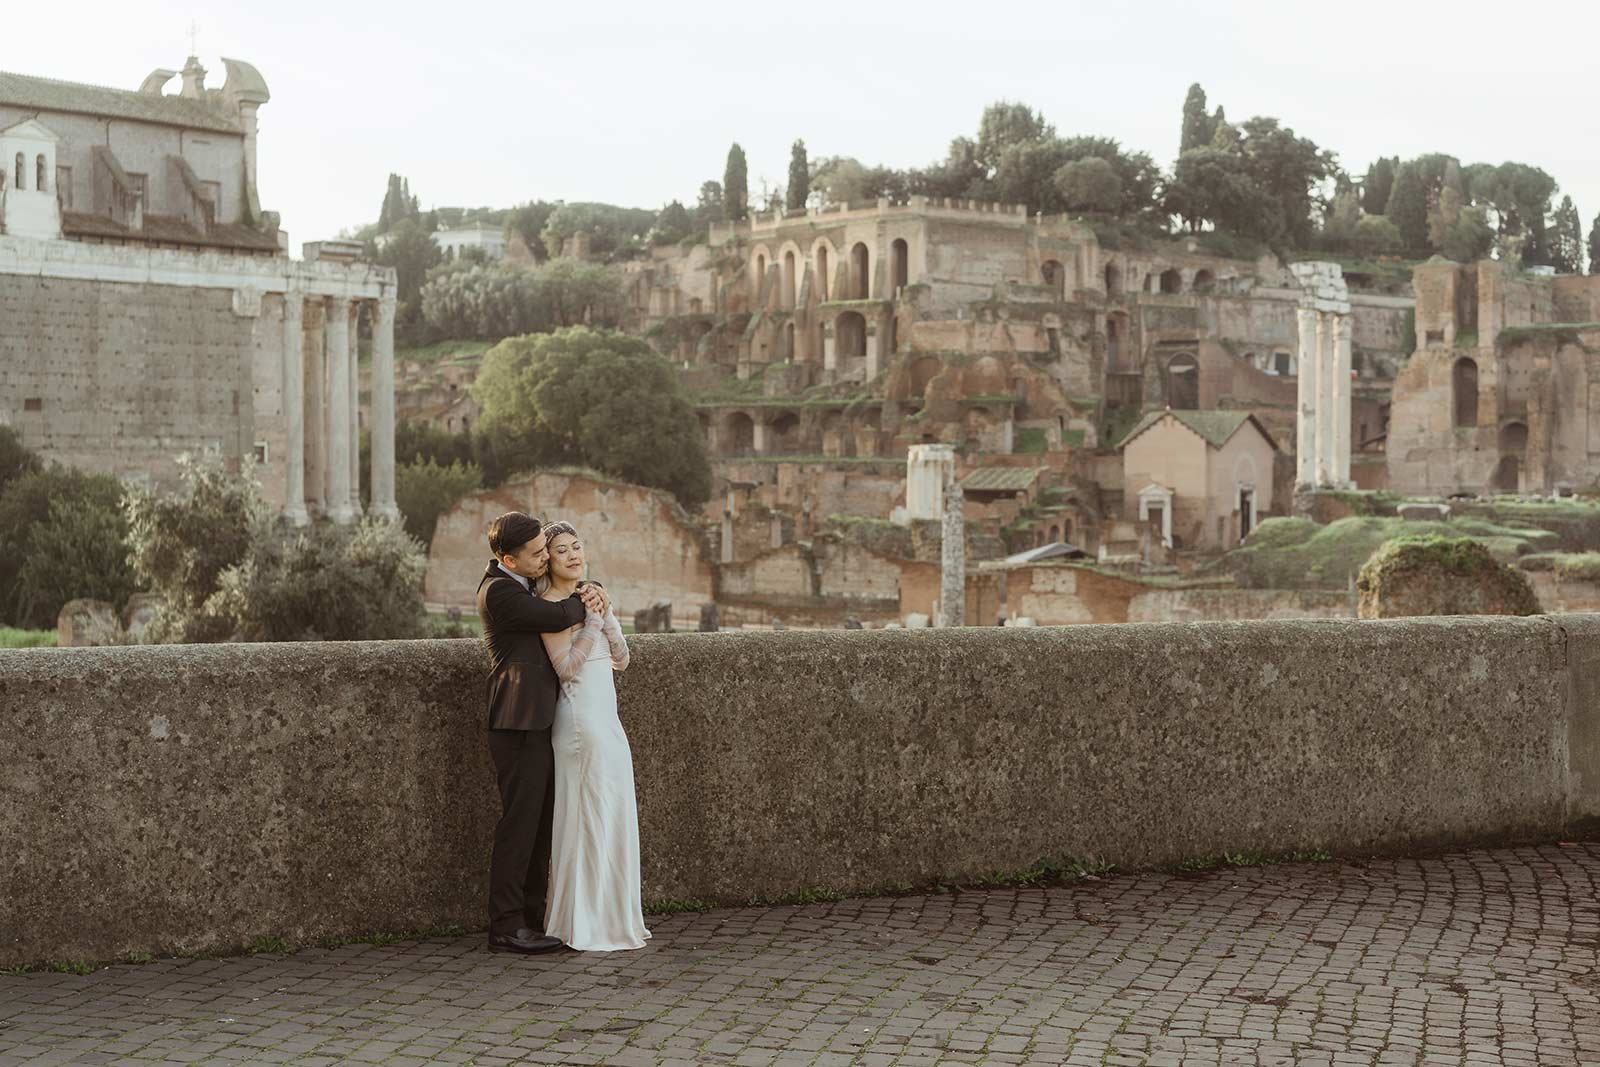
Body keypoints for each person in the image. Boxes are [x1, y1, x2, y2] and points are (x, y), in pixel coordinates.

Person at [476, 512, 608, 955]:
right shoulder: (500, 594)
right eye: (536, 554)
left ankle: (531, 918)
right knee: (519, 824)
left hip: (538, 721)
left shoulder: (521, 583)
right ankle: (506, 925)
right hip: (516, 723)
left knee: (538, 824)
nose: (543, 559)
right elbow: (559, 614)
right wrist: (592, 595)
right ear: (508, 560)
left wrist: (589, 589)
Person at [536, 521, 651, 952]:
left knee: (613, 813)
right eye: (561, 550)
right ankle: (580, 921)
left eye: (577, 546)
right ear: (548, 560)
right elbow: (566, 667)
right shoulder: (547, 605)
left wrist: (608, 615)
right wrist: (591, 621)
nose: (572, 555)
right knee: (586, 816)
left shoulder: (590, 596)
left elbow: (621, 659)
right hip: (579, 722)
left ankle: (613, 915)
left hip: (609, 721)